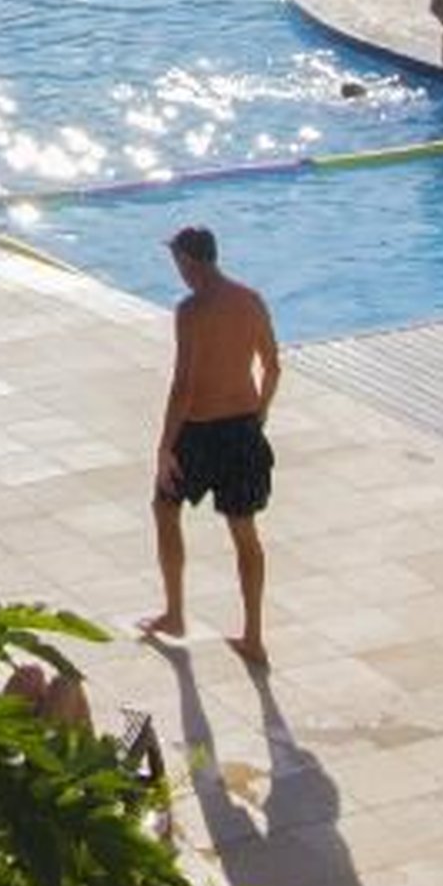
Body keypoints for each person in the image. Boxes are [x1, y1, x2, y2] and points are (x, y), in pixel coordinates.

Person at [144, 224, 280, 665]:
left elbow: (183, 385)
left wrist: (165, 447)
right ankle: (254, 637)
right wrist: (258, 414)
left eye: (177, 262)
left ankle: (175, 613)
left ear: (187, 262)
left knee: (165, 508)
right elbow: (273, 367)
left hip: (199, 432)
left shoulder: (191, 311)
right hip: (242, 430)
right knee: (245, 533)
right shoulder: (250, 300)